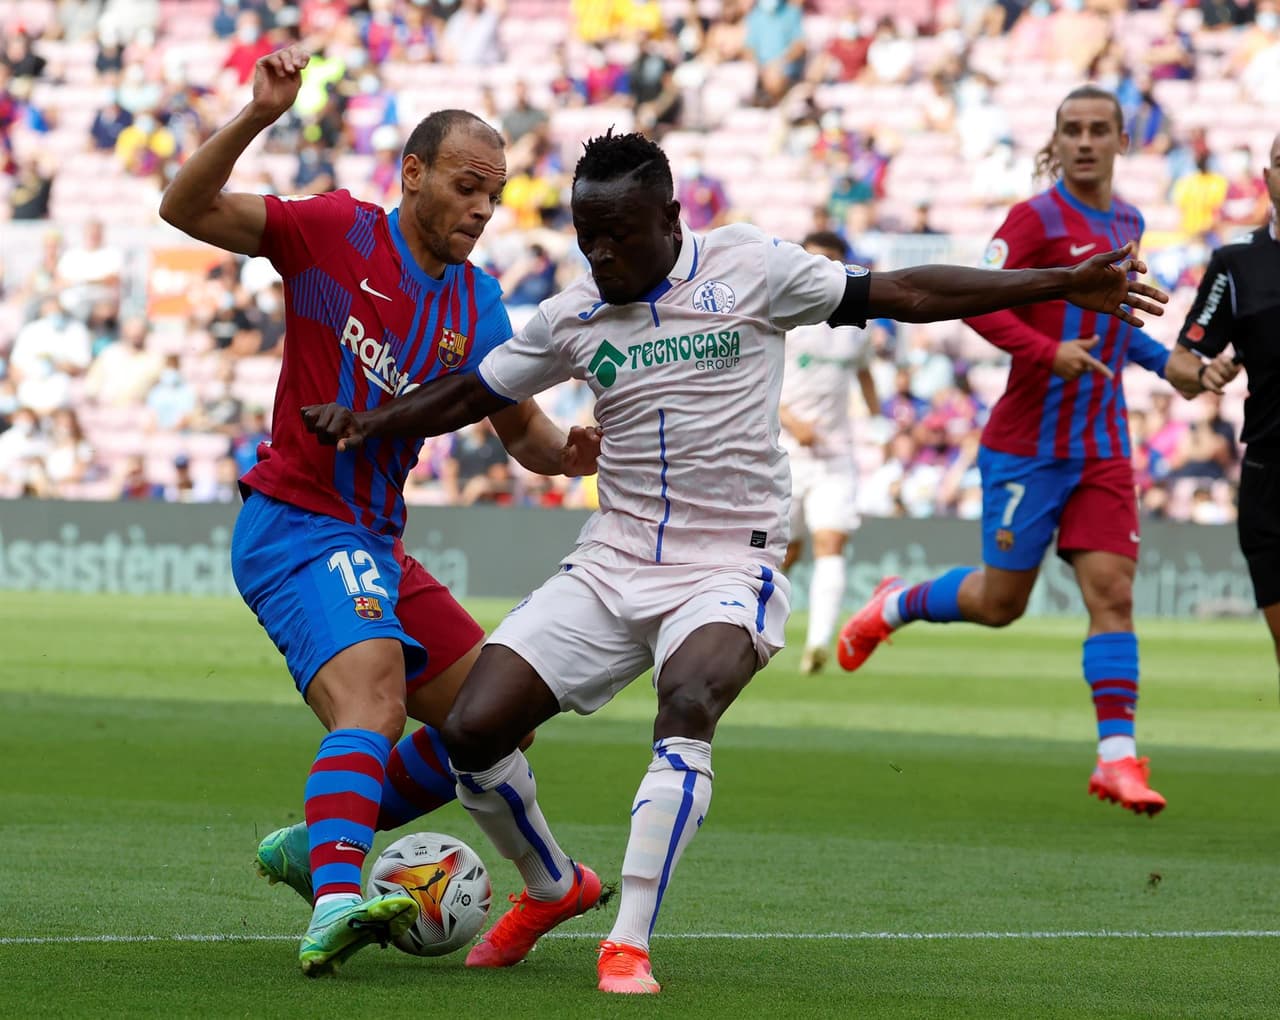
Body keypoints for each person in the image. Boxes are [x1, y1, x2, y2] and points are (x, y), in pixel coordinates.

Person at [301, 130, 1168, 994]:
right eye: (585, 235)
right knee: (472, 728)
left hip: (729, 562)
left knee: (687, 700)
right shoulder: (573, 315)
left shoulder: (751, 267)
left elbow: (901, 288)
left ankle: (628, 941)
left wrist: (1062, 280)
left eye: (620, 235)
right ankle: (556, 887)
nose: (600, 253)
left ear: (671, 219)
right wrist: (371, 422)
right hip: (613, 559)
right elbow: (476, 389)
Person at [158, 44, 600, 978]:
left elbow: (518, 428)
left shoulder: (478, 305)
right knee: (374, 701)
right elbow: (182, 208)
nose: (483, 209)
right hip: (295, 522)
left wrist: (570, 453)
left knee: (495, 720)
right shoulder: (332, 233)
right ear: (413, 173)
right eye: (467, 185)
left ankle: (314, 838)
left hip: (376, 543)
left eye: (498, 191)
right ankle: (334, 900)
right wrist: (257, 115)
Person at [837, 86, 1208, 818]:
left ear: (1121, 140)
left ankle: (1117, 759)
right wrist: (1047, 350)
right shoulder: (1034, 219)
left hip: (1102, 444)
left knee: (1114, 594)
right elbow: (977, 301)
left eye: (1099, 130)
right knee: (1002, 603)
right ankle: (897, 603)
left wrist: (1169, 365)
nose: (1085, 142)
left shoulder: (1129, 220)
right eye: (1072, 129)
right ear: (1057, 140)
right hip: (1027, 444)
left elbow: (1119, 324)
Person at [1165, 131, 1280, 681]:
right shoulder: (1236, 265)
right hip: (1270, 473)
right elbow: (1183, 362)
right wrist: (1204, 372)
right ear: (1266, 177)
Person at [778, 230, 881, 674]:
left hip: (836, 454)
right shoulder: (783, 318)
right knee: (784, 553)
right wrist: (791, 420)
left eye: (833, 262)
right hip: (783, 453)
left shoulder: (855, 328)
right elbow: (753, 380)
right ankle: (752, 629)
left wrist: (882, 422)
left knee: (831, 541)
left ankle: (817, 643)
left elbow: (865, 376)